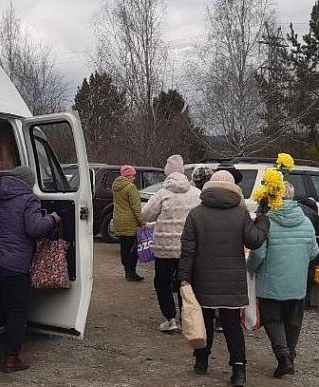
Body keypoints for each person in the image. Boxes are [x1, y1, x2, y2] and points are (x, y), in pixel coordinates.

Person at [179, 171, 270, 386]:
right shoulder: (241, 214)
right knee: (231, 325)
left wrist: (184, 278)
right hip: (232, 279)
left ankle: (202, 362)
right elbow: (255, 241)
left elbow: (187, 251)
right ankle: (239, 371)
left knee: (205, 322)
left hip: (203, 278)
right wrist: (264, 219)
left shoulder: (196, 214)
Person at [0, 166, 61, 373]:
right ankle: (11, 358)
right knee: (17, 311)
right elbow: (34, 228)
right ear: (28, 181)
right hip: (15, 264)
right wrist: (52, 219)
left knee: (1, 305)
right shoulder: (29, 199)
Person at [247, 182, 318, 378]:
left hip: (271, 284)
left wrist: (250, 269)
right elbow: (314, 252)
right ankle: (290, 357)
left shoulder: (267, 222)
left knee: (273, 320)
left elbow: (258, 254)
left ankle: (284, 358)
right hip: (296, 285)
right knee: (293, 322)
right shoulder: (305, 221)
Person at [142, 155, 201, 332]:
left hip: (165, 248)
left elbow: (146, 216)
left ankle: (170, 318)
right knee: (186, 282)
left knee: (162, 282)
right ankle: (187, 318)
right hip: (188, 248)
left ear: (167, 174)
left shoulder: (161, 194)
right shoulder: (197, 194)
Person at [112, 165, 146, 281]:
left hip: (118, 220)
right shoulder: (131, 187)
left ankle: (127, 270)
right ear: (128, 175)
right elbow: (136, 207)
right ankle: (131, 272)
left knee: (124, 247)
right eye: (133, 175)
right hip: (130, 221)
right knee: (133, 248)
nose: (134, 178)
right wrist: (142, 222)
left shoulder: (115, 186)